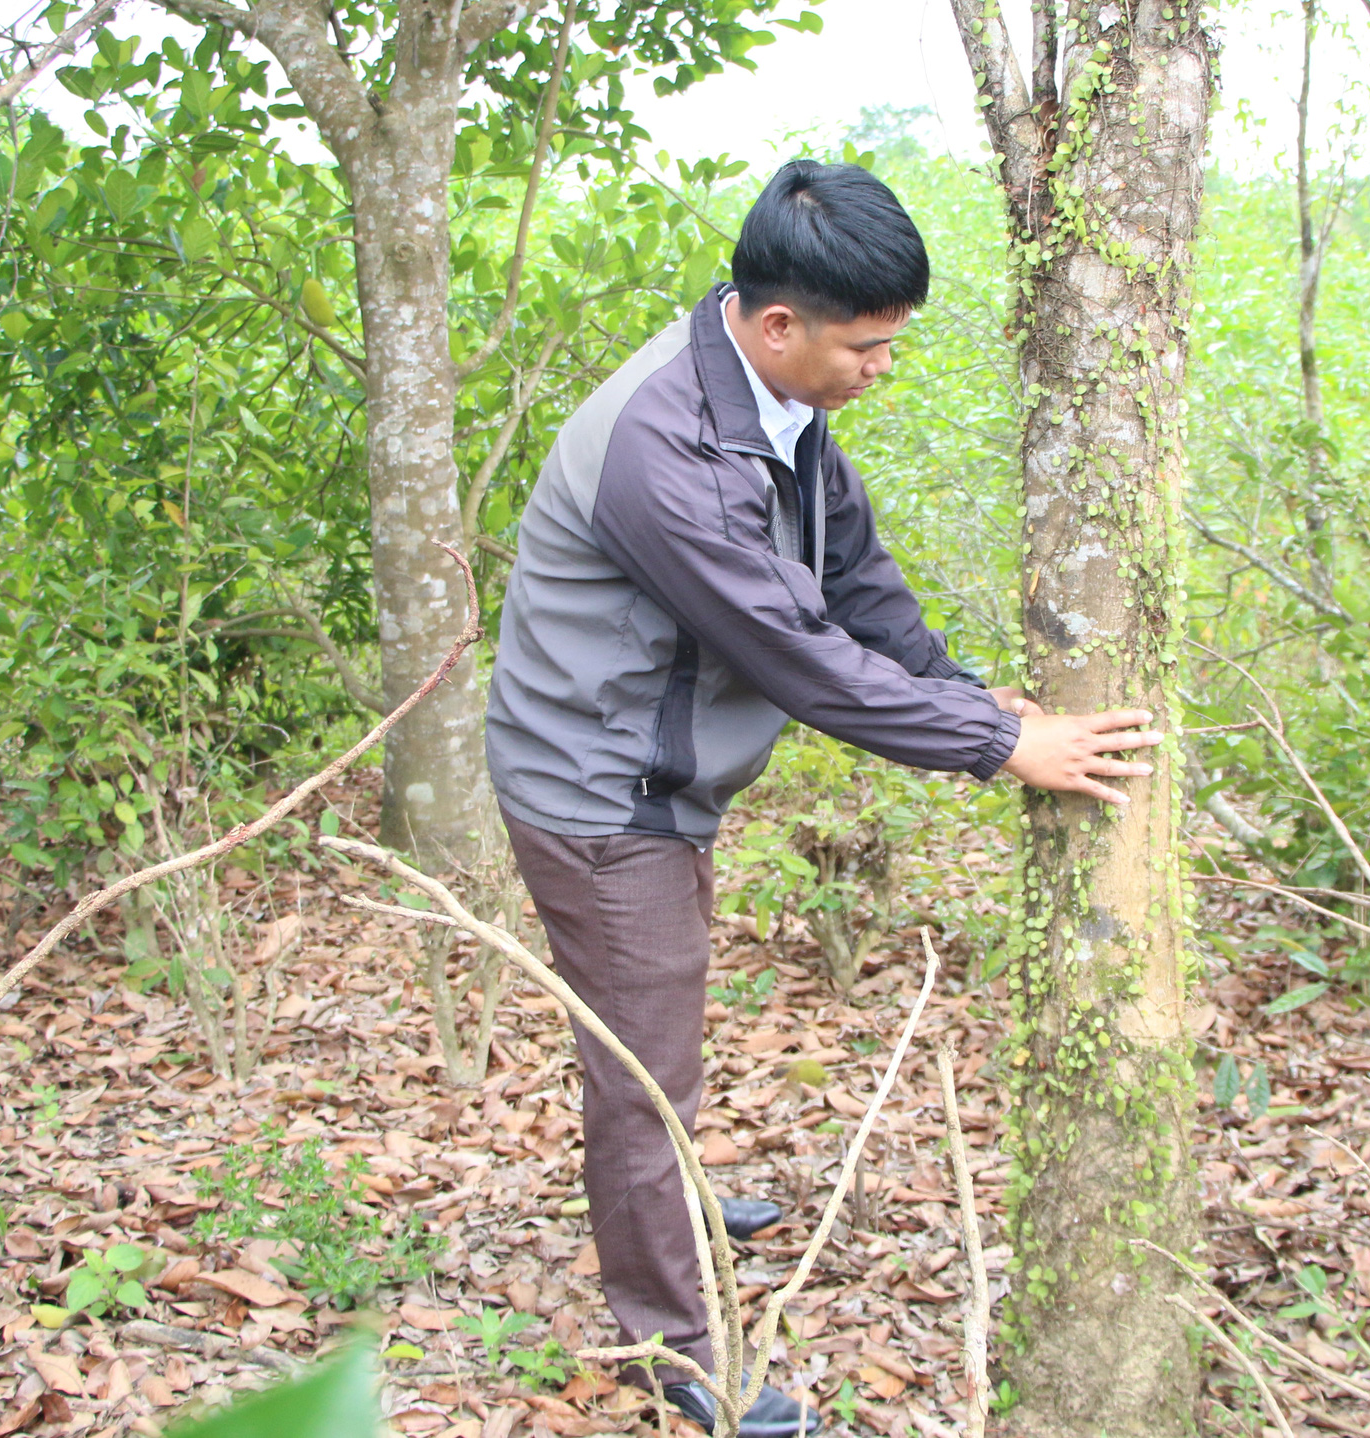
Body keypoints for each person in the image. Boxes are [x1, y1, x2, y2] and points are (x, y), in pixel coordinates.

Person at [484, 160, 1162, 1438]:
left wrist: (971, 695)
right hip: (597, 785)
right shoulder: (665, 451)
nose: (879, 370)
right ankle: (672, 1353)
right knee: (642, 1062)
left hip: (659, 767)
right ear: (777, 321)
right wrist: (994, 745)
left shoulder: (773, 401)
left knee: (659, 1019)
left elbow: (852, 578)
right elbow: (797, 655)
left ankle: (672, 1200)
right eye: (865, 348)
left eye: (891, 345)